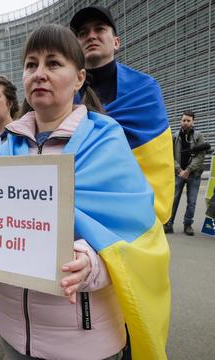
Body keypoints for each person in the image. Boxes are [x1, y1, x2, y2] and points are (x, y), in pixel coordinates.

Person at [0, 24, 170, 360]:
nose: (39, 73)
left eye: (53, 64)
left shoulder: (106, 140)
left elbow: (137, 234)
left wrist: (92, 265)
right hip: (13, 332)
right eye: (31, 65)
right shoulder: (4, 146)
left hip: (82, 336)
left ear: (80, 78)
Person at [70, 6, 174, 224]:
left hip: (131, 208)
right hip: (75, 212)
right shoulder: (64, 94)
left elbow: (156, 156)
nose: (91, 36)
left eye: (99, 29)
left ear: (116, 42)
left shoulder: (144, 89)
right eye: (82, 33)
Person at [164, 111, 206, 236]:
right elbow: (169, 155)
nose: (186, 122)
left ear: (193, 122)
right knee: (174, 200)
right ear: (180, 121)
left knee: (192, 202)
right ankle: (169, 224)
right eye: (184, 120)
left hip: (193, 174)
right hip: (178, 173)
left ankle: (188, 225)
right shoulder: (174, 137)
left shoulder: (199, 136)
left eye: (188, 120)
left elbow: (200, 156)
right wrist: (180, 170)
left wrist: (188, 170)